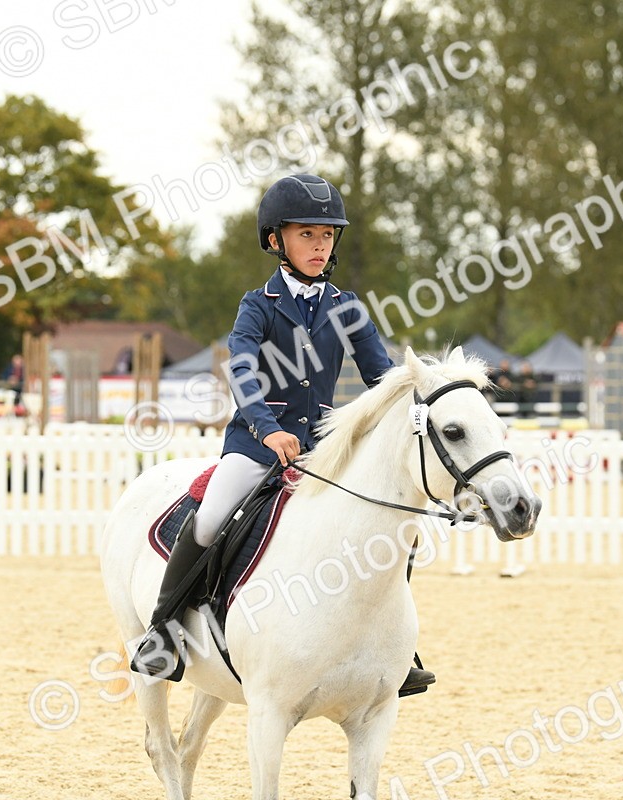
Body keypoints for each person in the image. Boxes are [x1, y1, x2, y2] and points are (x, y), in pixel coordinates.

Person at [130, 173, 435, 696]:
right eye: (306, 235)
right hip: (256, 445)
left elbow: (382, 378)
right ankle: (164, 631)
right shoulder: (258, 305)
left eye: (327, 236)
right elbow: (242, 371)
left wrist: (419, 401)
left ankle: (394, 649)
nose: (319, 246)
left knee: (395, 530)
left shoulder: (346, 308)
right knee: (211, 516)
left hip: (321, 450)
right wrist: (268, 430)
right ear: (276, 240)